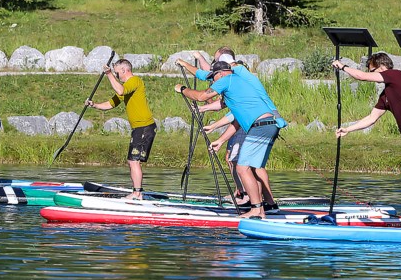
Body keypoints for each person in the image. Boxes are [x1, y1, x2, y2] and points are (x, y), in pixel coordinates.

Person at [333, 52, 401, 229]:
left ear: (381, 67)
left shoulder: (396, 75)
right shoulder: (387, 94)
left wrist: (342, 66)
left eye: (373, 70)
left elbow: (362, 76)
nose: (372, 74)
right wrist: (348, 130)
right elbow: (371, 118)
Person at [176, 59, 287, 219]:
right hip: (270, 124)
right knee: (253, 168)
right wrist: (219, 138)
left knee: (242, 168)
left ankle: (256, 210)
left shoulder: (226, 80)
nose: (212, 82)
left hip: (260, 126)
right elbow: (223, 107)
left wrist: (183, 89)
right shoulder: (238, 83)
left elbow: (201, 96)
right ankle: (262, 209)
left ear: (220, 74)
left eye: (213, 79)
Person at [84, 58, 157, 199]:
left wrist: (109, 74)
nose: (117, 76)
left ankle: (137, 193)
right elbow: (111, 104)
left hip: (144, 126)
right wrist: (94, 105)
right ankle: (137, 192)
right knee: (133, 161)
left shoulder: (134, 81)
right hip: (139, 128)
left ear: (124, 70)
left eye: (117, 73)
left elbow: (121, 90)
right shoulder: (125, 87)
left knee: (133, 160)